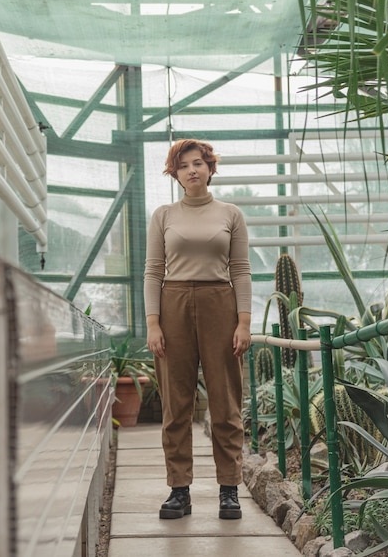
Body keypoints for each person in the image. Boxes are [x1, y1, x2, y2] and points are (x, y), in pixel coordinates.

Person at [144, 138, 252, 520]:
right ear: (174, 173)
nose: (192, 170)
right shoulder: (163, 215)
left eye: (198, 163)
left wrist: (243, 322)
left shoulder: (230, 214)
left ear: (210, 168)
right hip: (172, 305)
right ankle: (179, 491)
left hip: (219, 304)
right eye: (183, 165)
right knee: (176, 404)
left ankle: (229, 490)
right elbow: (154, 271)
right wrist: (153, 323)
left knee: (225, 401)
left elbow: (240, 270)